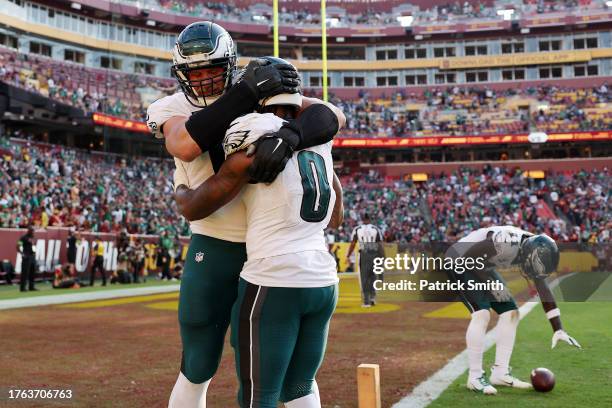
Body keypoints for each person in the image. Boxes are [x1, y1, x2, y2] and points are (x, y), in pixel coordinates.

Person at [146, 22, 333, 407]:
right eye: (194, 73)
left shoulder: (265, 100)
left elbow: (331, 117)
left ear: (229, 65)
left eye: (212, 69)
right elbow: (184, 144)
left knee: (291, 376)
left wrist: (292, 134)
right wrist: (246, 92)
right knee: (198, 363)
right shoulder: (170, 106)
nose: (203, 80)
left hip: (267, 249)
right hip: (216, 242)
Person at [172, 78, 345, 407]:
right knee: (300, 386)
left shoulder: (253, 127)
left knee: (258, 396)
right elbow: (336, 216)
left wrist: (181, 188)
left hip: (274, 277)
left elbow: (198, 203)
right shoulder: (322, 142)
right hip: (323, 278)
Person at [445, 226, 581, 395]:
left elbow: (543, 289)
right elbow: (470, 259)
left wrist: (558, 329)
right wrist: (492, 284)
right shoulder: (505, 241)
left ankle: (500, 373)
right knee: (482, 314)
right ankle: (474, 377)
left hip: (481, 265)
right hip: (459, 260)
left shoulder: (535, 247)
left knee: (511, 313)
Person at [345, 214, 384, 307]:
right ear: (370, 219)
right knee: (373, 277)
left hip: (364, 253)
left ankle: (366, 301)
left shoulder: (357, 229)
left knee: (364, 278)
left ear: (362, 219)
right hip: (374, 253)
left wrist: (348, 255)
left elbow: (353, 243)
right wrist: (382, 257)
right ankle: (372, 298)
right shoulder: (375, 228)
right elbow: (380, 245)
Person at [17, 226, 37, 292]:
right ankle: (22, 288)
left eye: (34, 231)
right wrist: (22, 253)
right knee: (25, 273)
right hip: (26, 257)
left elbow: (34, 246)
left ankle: (31, 286)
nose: (34, 232)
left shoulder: (33, 238)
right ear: (29, 231)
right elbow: (18, 246)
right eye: (33, 231)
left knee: (32, 272)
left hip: (32, 256)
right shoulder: (23, 237)